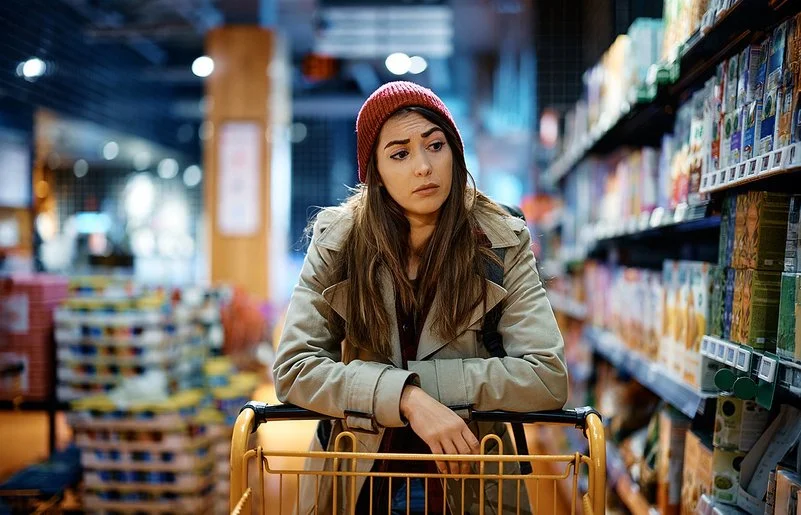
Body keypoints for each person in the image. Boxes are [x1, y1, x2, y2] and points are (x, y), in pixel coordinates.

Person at [273, 81, 568, 515]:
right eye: (400, 153)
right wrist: (407, 399)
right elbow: (294, 369)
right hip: (358, 476)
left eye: (435, 145)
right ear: (374, 171)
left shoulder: (501, 241)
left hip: (470, 476)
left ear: (455, 152)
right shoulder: (339, 243)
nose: (424, 167)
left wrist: (424, 390)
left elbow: (547, 376)